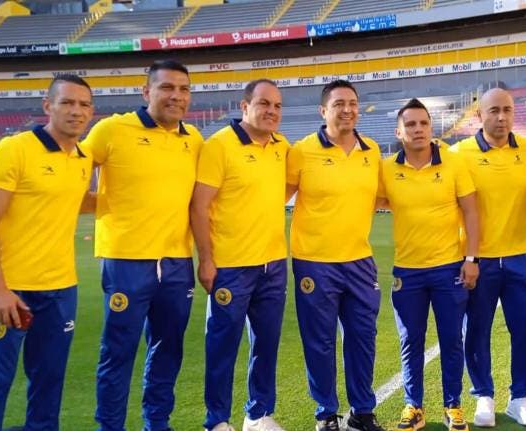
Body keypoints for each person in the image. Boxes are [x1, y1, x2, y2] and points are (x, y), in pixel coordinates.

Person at [83, 59, 203, 431]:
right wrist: (102, 204)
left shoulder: (193, 139)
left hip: (177, 261)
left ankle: (157, 422)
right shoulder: (111, 130)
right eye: (167, 87)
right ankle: (110, 426)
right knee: (118, 351)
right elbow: (71, 174)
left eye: (183, 89)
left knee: (168, 348)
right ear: (146, 91)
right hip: (126, 261)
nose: (176, 96)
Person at [0, 74, 94, 431]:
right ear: (48, 106)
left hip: (61, 289)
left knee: (49, 380)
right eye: (67, 102)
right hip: (11, 289)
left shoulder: (82, 158)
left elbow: (72, 201)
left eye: (84, 105)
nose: (76, 111)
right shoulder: (14, 149)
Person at [190, 79, 289, 431]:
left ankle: (258, 415)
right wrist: (206, 259)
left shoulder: (281, 147)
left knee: (266, 344)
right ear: (245, 106)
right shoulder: (219, 146)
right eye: (264, 104)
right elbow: (199, 206)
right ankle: (216, 420)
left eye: (277, 106)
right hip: (230, 267)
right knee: (222, 346)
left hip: (273, 264)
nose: (271, 111)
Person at [285, 80, 385, 431]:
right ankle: (326, 413)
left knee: (362, 338)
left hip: (359, 261)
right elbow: (275, 196)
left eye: (352, 103)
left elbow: (384, 196)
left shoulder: (371, 151)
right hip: (315, 262)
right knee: (320, 342)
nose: (347, 109)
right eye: (339, 103)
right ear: (323, 111)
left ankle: (362, 412)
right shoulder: (302, 151)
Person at [376, 98, 480, 431]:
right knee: (411, 342)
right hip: (407, 271)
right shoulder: (386, 169)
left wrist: (471, 259)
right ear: (399, 132)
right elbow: (370, 199)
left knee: (451, 340)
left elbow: (471, 212)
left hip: (449, 268)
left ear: (431, 128)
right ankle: (414, 406)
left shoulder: (453, 163)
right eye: (410, 124)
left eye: (423, 123)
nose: (418, 129)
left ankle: (453, 406)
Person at [449, 87, 526, 426]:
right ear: (479, 115)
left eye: (507, 110)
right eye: (494, 111)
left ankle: (520, 398)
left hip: (520, 257)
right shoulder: (459, 153)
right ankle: (483, 396)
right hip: (478, 259)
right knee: (477, 330)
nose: (502, 117)